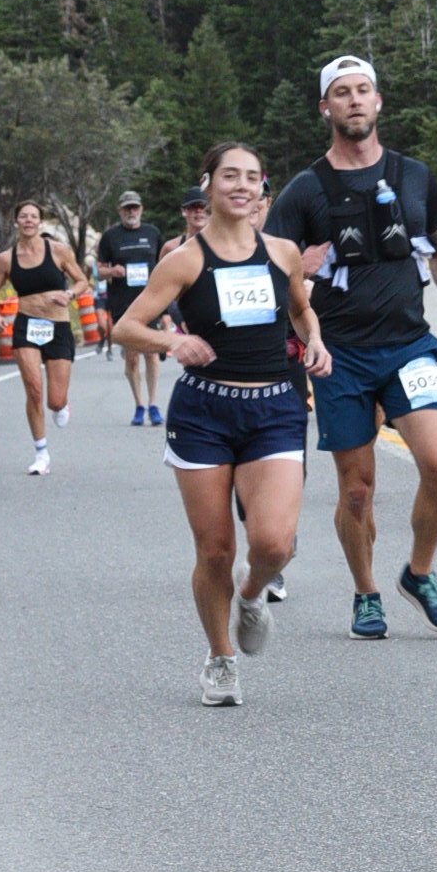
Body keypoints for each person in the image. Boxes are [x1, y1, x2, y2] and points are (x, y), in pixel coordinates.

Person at [114, 142, 330, 706]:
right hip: (205, 413)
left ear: (262, 188)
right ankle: (220, 658)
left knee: (274, 542)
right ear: (208, 184)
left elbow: (300, 308)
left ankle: (252, 594)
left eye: (251, 177)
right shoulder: (185, 260)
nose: (241, 186)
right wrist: (173, 341)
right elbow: (125, 327)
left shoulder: (281, 252)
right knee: (215, 550)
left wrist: (315, 340)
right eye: (229, 176)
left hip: (274, 407)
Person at [265, 55, 437, 641]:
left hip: (408, 347)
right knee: (357, 491)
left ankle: (419, 574)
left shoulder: (413, 174)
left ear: (378, 101)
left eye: (363, 90)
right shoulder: (305, 190)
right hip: (340, 357)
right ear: (325, 108)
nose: (354, 100)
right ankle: (366, 593)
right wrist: (299, 273)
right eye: (342, 92)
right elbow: (267, 269)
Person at [0, 203, 92, 476]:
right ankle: (41, 453)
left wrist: (69, 295)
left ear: (40, 222)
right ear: (16, 222)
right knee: (34, 388)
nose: (28, 220)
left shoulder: (59, 251)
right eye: (23, 216)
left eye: (33, 216)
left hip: (57, 326)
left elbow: (82, 281)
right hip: (27, 326)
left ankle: (61, 404)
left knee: (54, 401)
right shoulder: (6, 259)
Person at [97, 188, 164, 424]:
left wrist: (166, 306)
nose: (131, 212)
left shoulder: (152, 233)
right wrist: (111, 271)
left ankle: (153, 405)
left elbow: (164, 264)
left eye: (135, 207)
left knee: (152, 354)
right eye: (127, 209)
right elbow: (99, 271)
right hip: (123, 304)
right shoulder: (110, 237)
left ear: (141, 209)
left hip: (150, 301)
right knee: (132, 357)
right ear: (120, 211)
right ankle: (139, 405)